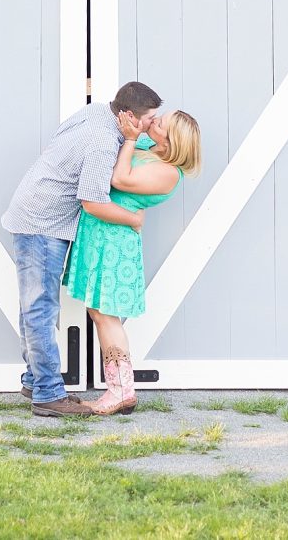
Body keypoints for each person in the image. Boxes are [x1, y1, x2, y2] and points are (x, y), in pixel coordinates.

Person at [1, 81, 162, 417]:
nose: (151, 126)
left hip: (34, 210)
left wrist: (151, 139)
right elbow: (93, 203)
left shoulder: (95, 113)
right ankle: (47, 395)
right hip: (42, 223)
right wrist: (133, 219)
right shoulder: (103, 145)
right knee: (40, 309)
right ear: (129, 116)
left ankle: (35, 378)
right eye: (149, 120)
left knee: (33, 306)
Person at [63, 108, 201, 415]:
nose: (153, 121)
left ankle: (121, 390)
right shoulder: (146, 148)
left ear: (171, 140)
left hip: (115, 241)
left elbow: (119, 178)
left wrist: (129, 139)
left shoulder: (168, 173)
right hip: (98, 232)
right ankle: (119, 389)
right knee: (97, 311)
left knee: (106, 313)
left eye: (160, 123)